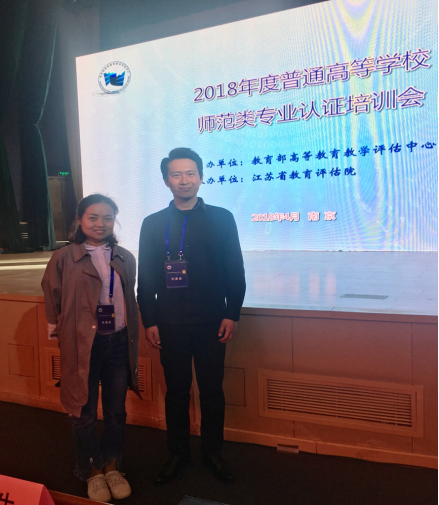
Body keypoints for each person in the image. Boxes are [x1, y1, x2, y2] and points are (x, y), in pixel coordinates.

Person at [137, 147, 246, 485]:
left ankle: (213, 453)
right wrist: (149, 320)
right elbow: (147, 277)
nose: (184, 180)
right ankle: (177, 453)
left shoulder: (222, 218)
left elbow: (235, 269)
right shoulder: (153, 223)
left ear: (200, 177)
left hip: (213, 321)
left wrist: (232, 313)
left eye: (190, 173)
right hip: (170, 324)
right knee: (176, 392)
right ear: (166, 181)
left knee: (212, 391)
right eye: (176, 174)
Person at [41, 194, 140, 503]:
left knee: (116, 411)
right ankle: (91, 470)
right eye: (93, 217)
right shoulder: (63, 257)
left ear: (114, 221)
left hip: (118, 342)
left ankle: (112, 465)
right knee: (83, 412)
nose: (100, 224)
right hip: (82, 343)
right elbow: (52, 294)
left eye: (107, 218)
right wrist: (58, 331)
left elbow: (128, 296)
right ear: (80, 220)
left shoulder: (124, 256)